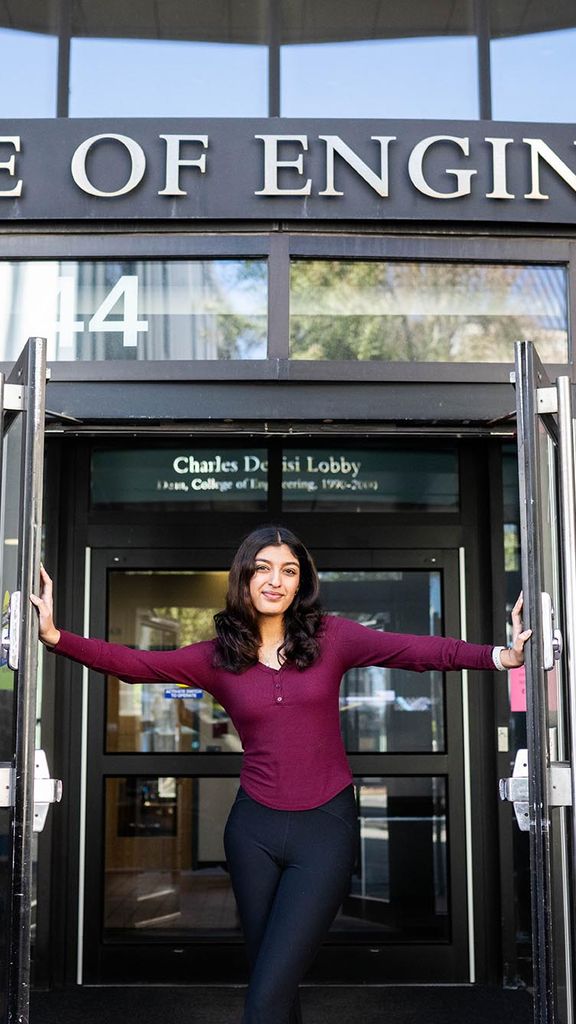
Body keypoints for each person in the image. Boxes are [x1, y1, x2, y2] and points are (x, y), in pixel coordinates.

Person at [31, 525, 531, 1024]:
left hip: (325, 829)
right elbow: (136, 663)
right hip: (253, 833)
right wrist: (55, 637)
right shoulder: (216, 657)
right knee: (274, 978)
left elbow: (414, 651)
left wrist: (500, 657)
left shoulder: (332, 638)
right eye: (263, 568)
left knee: (266, 996)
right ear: (244, 578)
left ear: (301, 583)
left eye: (289, 571)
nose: (276, 580)